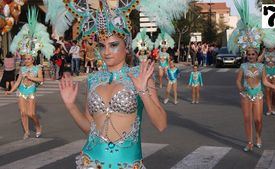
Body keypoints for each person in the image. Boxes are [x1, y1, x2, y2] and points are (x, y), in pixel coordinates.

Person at [46, 0, 170, 168]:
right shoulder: (94, 79)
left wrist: (143, 92)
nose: (106, 52)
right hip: (90, 162)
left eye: (113, 45)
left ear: (126, 46)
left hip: (127, 164)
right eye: (101, 46)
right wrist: (70, 106)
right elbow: (90, 130)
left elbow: (161, 125)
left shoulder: (140, 76)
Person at [229, 0, 275, 152]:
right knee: (247, 119)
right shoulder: (243, 66)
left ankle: (259, 136)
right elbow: (238, 81)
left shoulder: (261, 66)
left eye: (253, 54)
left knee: (258, 120)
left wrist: (274, 86)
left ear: (257, 54)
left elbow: (264, 81)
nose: (251, 56)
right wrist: (241, 90)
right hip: (246, 95)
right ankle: (250, 142)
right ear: (246, 55)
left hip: (258, 95)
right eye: (249, 54)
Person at [7, 7, 54, 139]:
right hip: (21, 91)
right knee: (23, 113)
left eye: (28, 59)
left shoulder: (37, 68)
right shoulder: (22, 69)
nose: (26, 60)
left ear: (32, 59)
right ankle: (26, 131)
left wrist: (32, 77)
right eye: (24, 58)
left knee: (32, 114)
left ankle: (38, 126)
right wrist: (11, 90)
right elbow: (17, 81)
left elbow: (41, 80)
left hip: (31, 92)